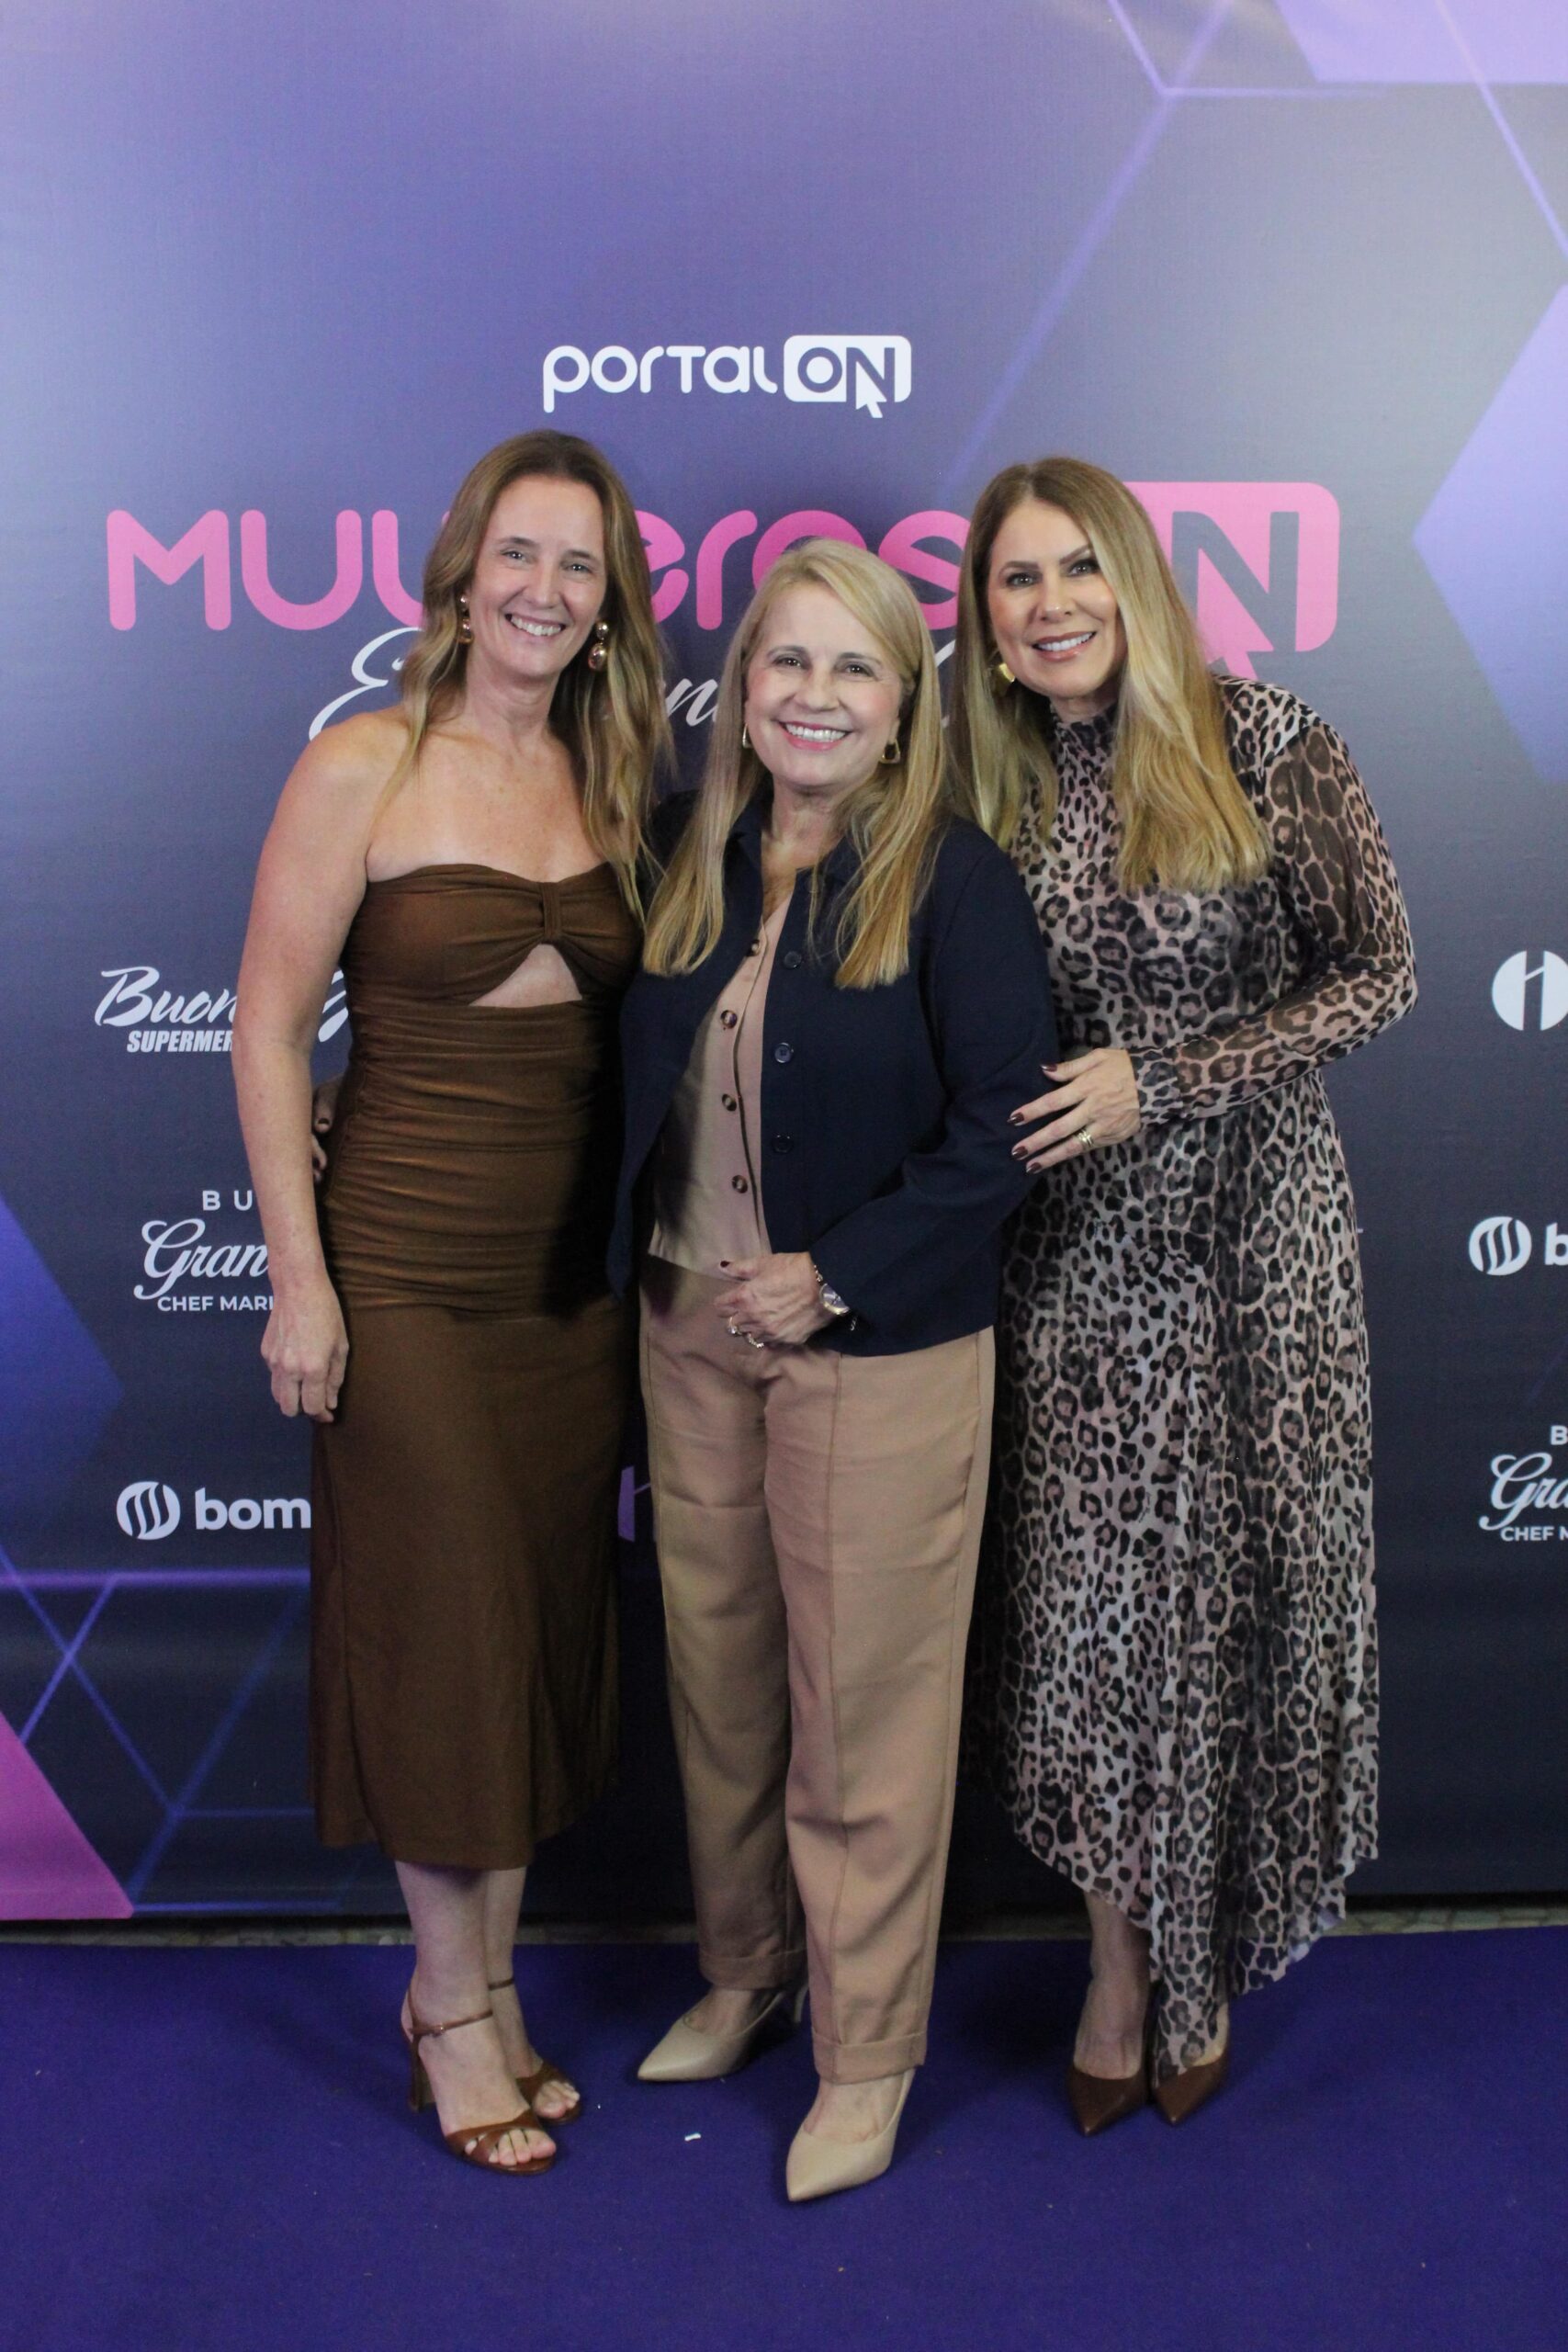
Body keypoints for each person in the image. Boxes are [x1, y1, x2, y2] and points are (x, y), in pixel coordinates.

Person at [952, 457, 1416, 2132]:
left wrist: (1167, 1076)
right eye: (1018, 579)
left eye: (1079, 567)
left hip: (1254, 1258)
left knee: (1231, 1616)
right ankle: (1115, 1972)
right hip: (1069, 1264)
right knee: (1090, 1627)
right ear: (985, 618)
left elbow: (1383, 972)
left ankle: (1205, 1967)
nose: (1052, 604)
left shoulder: (1269, 742)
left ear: (1137, 579)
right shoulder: (982, 777)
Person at [232, 430, 669, 2174]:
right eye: (520, 555)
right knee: (448, 1639)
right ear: (462, 576)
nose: (545, 591)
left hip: (567, 1299)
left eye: (579, 566)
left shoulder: (611, 778)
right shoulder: (364, 762)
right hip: (399, 1277)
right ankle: (448, 2007)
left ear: (607, 604)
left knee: (532, 1638)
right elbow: (269, 1030)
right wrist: (301, 1284)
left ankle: (483, 1990)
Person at [609, 540, 1058, 2200]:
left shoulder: (955, 880)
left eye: (853, 668)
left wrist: (838, 1273)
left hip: (876, 1351)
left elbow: (1004, 1128)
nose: (814, 696)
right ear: (744, 688)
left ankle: (867, 2059)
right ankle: (748, 1974)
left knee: (862, 1719)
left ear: (903, 703)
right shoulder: (687, 850)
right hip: (689, 1329)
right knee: (719, 1685)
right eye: (786, 662)